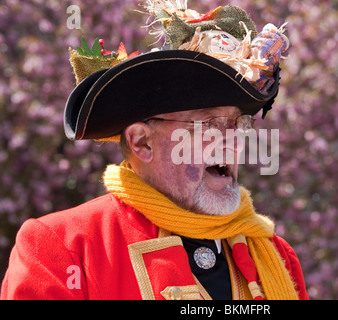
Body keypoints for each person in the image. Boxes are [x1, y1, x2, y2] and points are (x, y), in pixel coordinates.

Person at [1, 1, 308, 300]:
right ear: (141, 142)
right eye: (211, 125)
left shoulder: (277, 256)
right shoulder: (61, 248)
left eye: (238, 124)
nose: (232, 141)